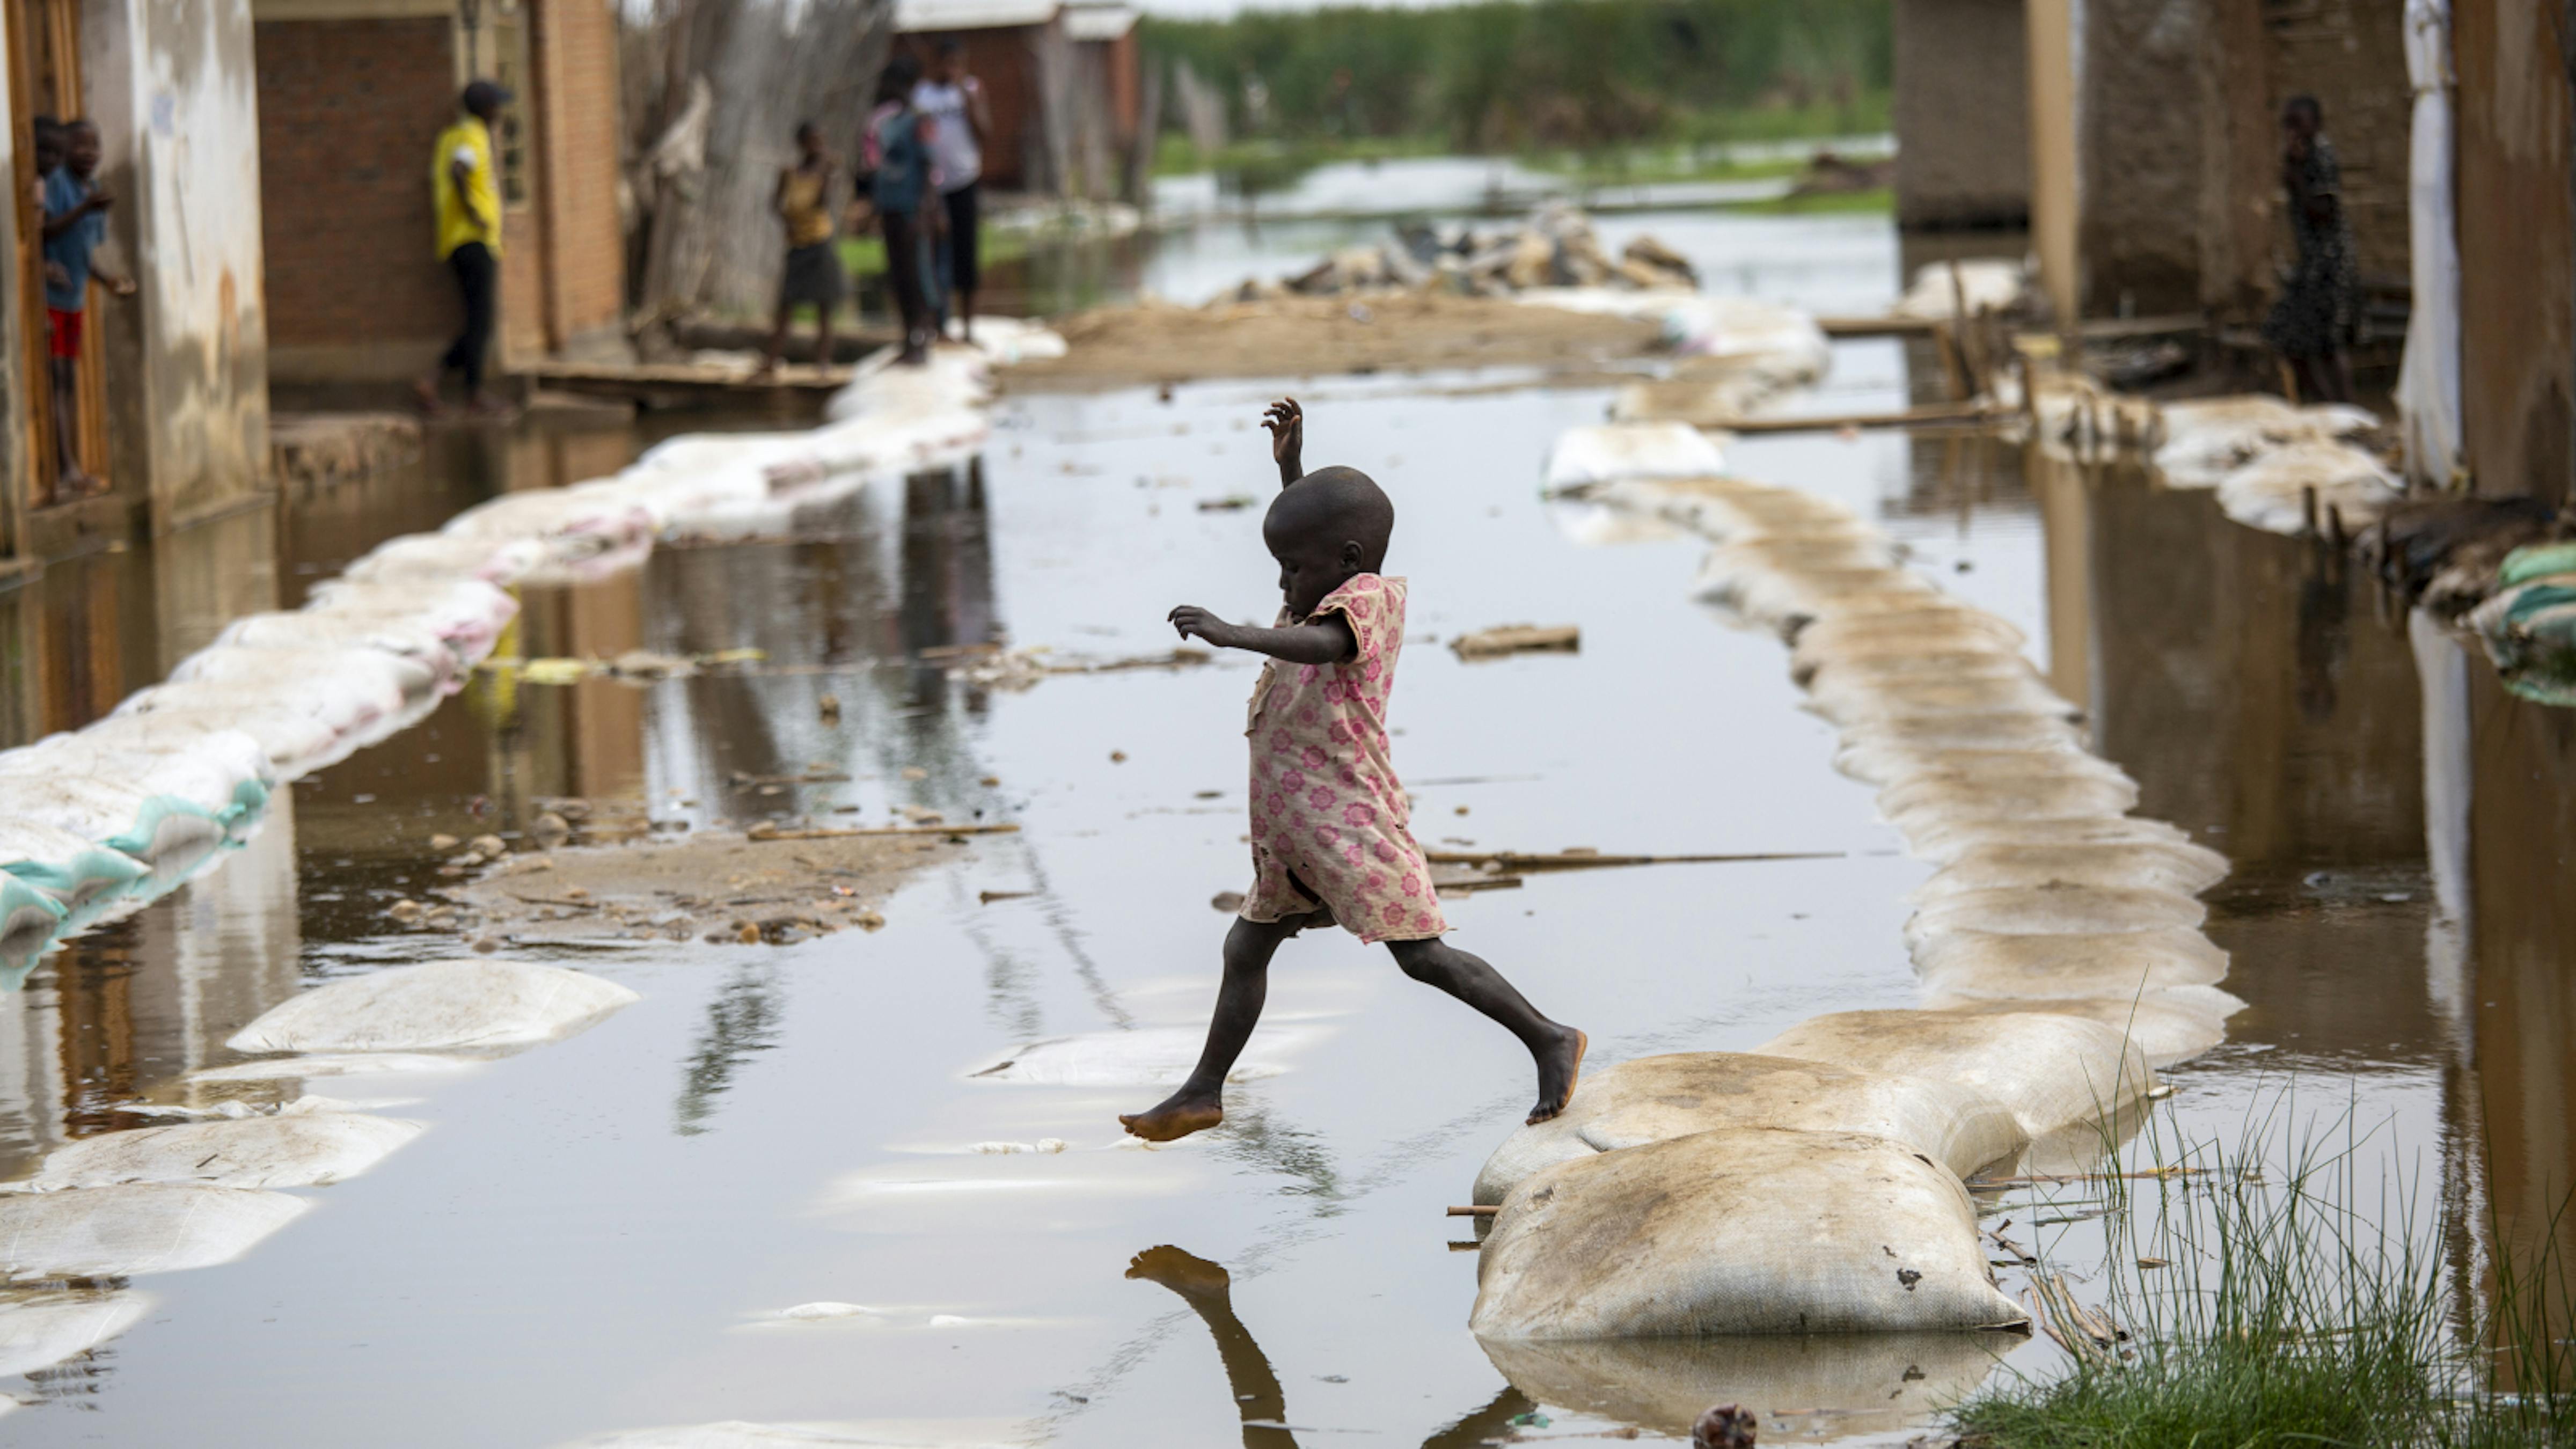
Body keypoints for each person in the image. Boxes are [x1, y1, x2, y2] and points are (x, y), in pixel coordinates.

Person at [1118, 399, 1586, 1143]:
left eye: (1294, 568)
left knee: (1423, 956)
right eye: (1281, 567)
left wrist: (1235, 634)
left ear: (1347, 563)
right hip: (1294, 831)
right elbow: (1314, 554)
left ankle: (1548, 1037)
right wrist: (1292, 470)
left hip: (1348, 819)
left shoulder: (1368, 603)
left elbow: (1327, 646)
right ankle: (1203, 1092)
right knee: (1246, 948)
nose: (1285, 582)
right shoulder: (1327, 586)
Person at [40, 119, 134, 501]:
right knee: (56, 380)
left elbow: (84, 253)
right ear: (66, 151)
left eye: (95, 146)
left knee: (70, 381)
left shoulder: (93, 192)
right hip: (50, 299)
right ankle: (65, 468)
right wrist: (83, 209)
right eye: (81, 146)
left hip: (75, 301)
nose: (90, 153)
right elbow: (45, 233)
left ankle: (73, 465)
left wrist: (109, 280)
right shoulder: (58, 187)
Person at [415, 79, 510, 416]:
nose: (500, 112)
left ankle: (447, 382)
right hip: (474, 240)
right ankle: (468, 390)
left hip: (454, 240)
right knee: (482, 322)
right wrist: (475, 213)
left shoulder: (448, 137)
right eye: (496, 106)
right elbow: (459, 171)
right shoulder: (473, 136)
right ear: (485, 109)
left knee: (477, 320)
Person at [2263, 94, 2358, 406]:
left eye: (2298, 123)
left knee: (2329, 343)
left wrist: (2297, 180)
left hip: (2330, 266)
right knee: (2290, 337)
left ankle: (2343, 410)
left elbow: (2325, 209)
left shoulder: (2321, 155)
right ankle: (2328, 404)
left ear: (2315, 125)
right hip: (2313, 266)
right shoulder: (2300, 158)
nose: (2292, 131)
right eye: (2287, 124)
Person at [858, 55, 941, 366]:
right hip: (891, 208)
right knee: (899, 276)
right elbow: (875, 167)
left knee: (917, 274)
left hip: (912, 210)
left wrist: (926, 212)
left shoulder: (919, 122)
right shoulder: (886, 123)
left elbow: (930, 169)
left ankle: (922, 338)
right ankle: (908, 338)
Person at [912, 39, 990, 343]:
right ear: (937, 62)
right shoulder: (922, 95)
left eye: (958, 64)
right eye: (948, 63)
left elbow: (985, 132)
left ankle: (969, 328)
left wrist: (965, 98)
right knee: (934, 257)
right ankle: (938, 325)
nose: (952, 69)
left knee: (966, 256)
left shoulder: (972, 90)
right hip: (932, 189)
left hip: (964, 182)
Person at [759, 121, 846, 377]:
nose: (818, 146)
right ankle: (772, 360)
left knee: (824, 305)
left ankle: (823, 361)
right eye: (813, 141)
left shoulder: (826, 171)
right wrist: (788, 223)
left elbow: (824, 204)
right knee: (786, 305)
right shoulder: (790, 173)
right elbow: (776, 203)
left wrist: (827, 175)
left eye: (821, 141)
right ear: (802, 144)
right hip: (798, 244)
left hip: (820, 242)